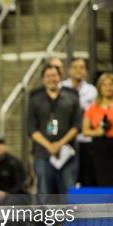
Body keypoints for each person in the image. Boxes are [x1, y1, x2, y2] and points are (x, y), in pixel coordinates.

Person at [27, 65, 80, 194]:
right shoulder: (35, 99)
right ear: (43, 79)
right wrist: (49, 146)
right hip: (42, 153)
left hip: (67, 153)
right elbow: (31, 128)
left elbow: (77, 126)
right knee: (44, 192)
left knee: (69, 191)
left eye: (54, 75)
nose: (52, 79)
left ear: (60, 77)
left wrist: (59, 144)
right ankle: (45, 215)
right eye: (48, 76)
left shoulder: (72, 96)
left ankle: (68, 215)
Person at [61, 57, 97, 186]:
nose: (78, 70)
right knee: (66, 178)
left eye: (82, 67)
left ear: (86, 71)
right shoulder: (61, 88)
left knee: (85, 176)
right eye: (75, 67)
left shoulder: (92, 91)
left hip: (85, 139)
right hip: (65, 140)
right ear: (69, 70)